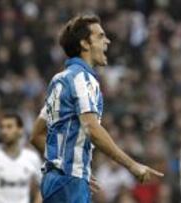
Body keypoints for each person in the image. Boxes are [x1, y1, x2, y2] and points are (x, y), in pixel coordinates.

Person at [30, 14, 164, 203]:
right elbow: (91, 127)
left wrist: (69, 165)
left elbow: (36, 135)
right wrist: (132, 165)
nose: (107, 41)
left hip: (56, 181)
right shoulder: (83, 79)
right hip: (69, 184)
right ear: (85, 44)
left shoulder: (60, 79)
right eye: (100, 36)